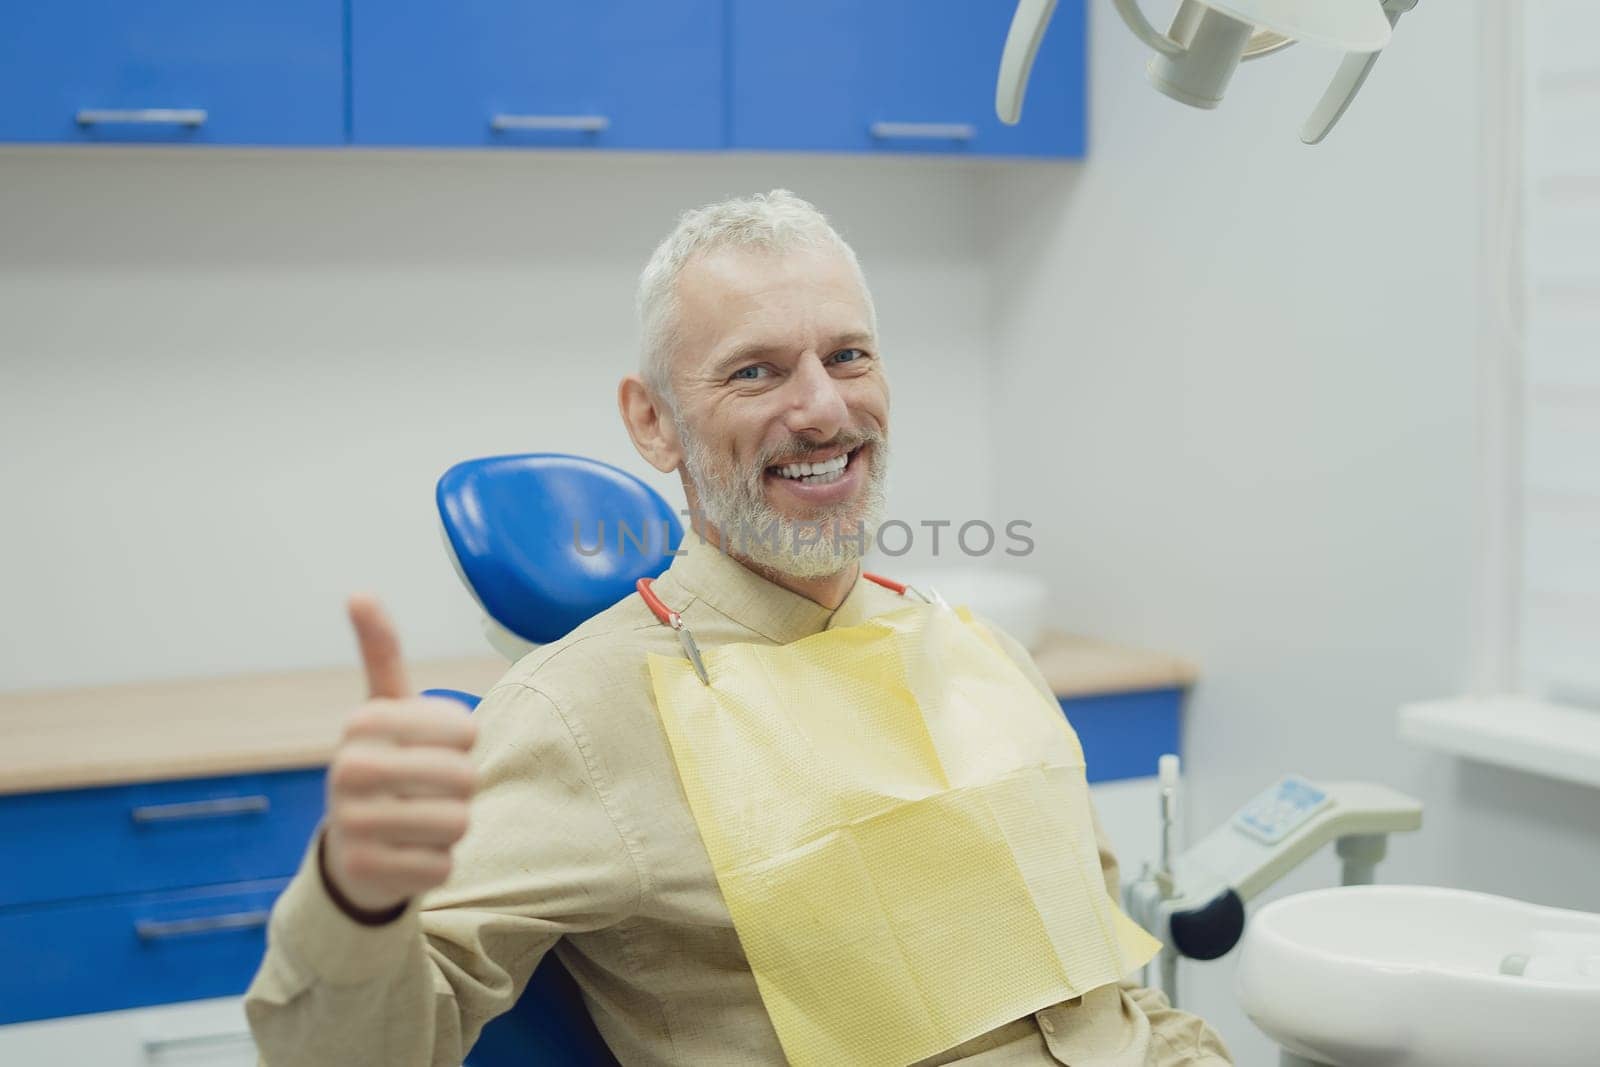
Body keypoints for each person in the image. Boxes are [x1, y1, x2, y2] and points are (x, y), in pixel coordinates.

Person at [244, 190, 1232, 1066]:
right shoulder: (579, 716)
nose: (821, 407)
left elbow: (1106, 987)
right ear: (653, 421)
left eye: (847, 356)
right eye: (755, 372)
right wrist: (354, 901)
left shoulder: (973, 648)